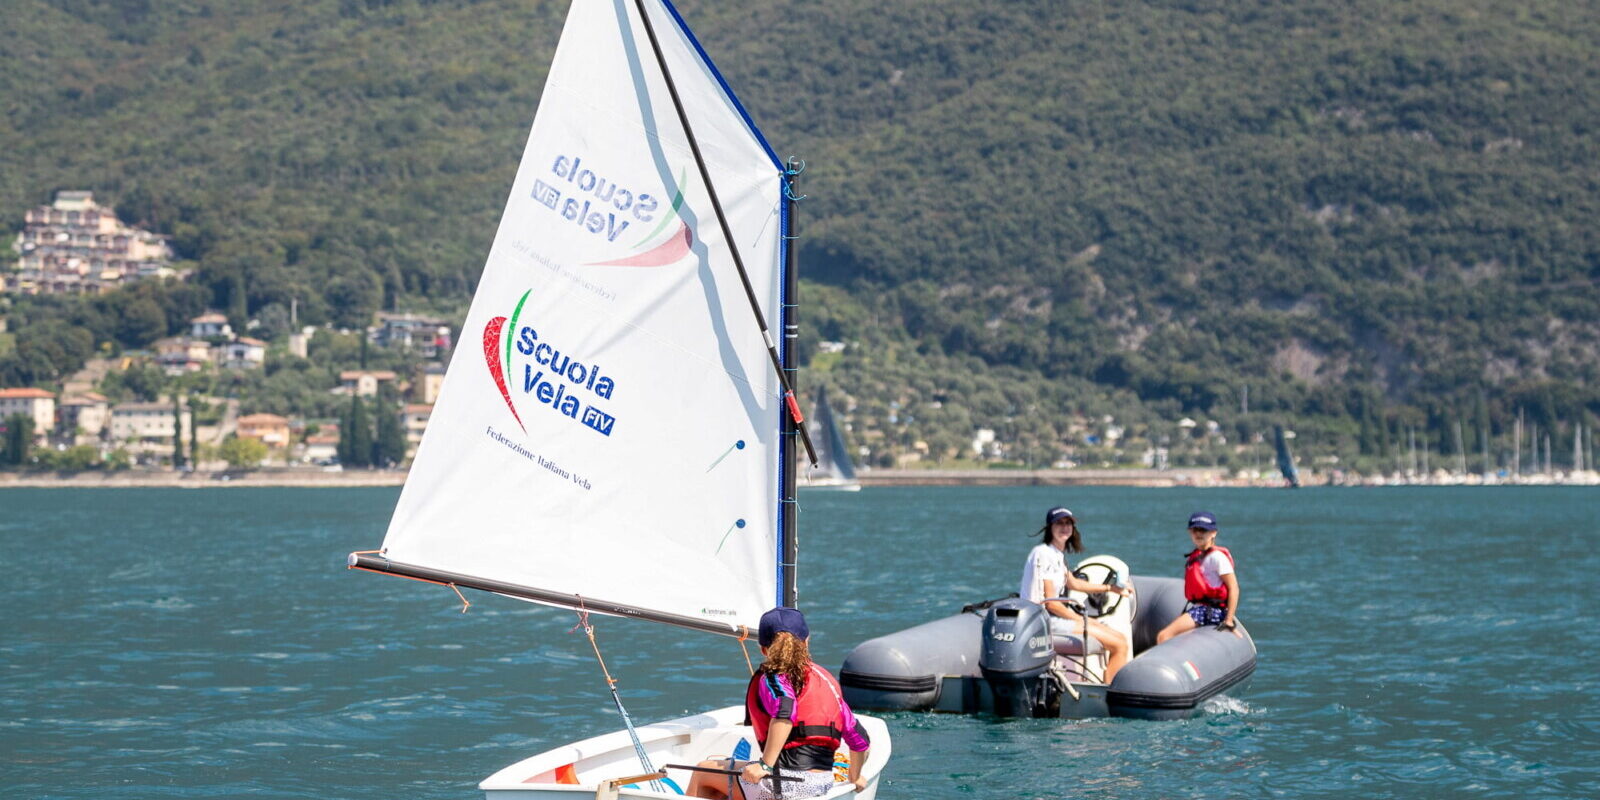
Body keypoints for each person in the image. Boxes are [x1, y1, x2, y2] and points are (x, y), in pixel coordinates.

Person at [685, 607, 871, 799]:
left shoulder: (775, 677)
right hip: (821, 784)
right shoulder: (827, 681)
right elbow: (860, 741)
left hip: (786, 785)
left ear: (764, 649)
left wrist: (765, 764)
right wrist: (855, 777)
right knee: (726, 785)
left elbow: (785, 713)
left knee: (703, 771)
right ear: (807, 641)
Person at [1020, 506, 1133, 683]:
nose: (1064, 527)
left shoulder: (1057, 555)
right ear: (1050, 527)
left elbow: (1074, 583)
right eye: (1059, 523)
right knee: (1119, 644)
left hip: (1051, 619)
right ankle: (1110, 693)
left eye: (1068, 523)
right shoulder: (1044, 554)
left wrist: (1111, 589)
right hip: (1042, 622)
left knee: (1119, 637)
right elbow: (1051, 604)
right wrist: (1081, 620)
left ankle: (1107, 685)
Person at [1156, 511, 1240, 643]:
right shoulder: (1197, 556)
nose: (1198, 534)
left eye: (1203, 530)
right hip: (1200, 608)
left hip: (1210, 611)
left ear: (1213, 533)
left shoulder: (1217, 557)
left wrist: (1229, 620)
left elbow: (1233, 587)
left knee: (1163, 636)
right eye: (1195, 530)